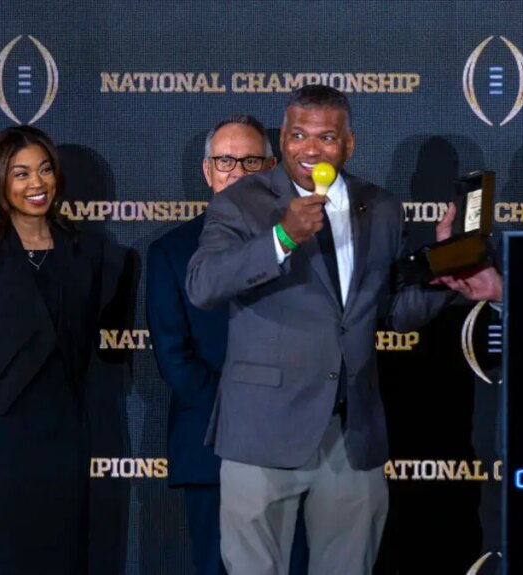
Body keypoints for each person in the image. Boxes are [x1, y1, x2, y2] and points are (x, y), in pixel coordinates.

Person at [186, 85, 499, 574]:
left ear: (348, 145)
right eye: (297, 135)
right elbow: (203, 285)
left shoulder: (380, 207)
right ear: (283, 140)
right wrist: (283, 236)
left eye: (326, 137)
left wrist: (447, 278)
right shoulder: (243, 204)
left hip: (351, 434)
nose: (310, 149)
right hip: (263, 429)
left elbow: (393, 311)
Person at [0, 126, 103, 573]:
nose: (37, 184)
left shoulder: (84, 251)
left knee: (59, 554)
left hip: (62, 433)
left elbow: (82, 342)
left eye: (45, 170)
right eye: (21, 173)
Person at [148, 115, 307, 575]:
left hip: (296, 450)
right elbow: (176, 361)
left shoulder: (309, 247)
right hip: (212, 452)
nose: (237, 172)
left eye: (250, 161)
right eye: (225, 161)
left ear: (273, 168)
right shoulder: (171, 253)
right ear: (207, 171)